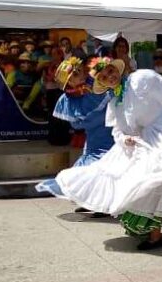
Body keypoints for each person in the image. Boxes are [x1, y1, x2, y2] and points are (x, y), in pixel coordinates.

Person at [53, 57, 162, 250]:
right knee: (138, 184)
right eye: (104, 77)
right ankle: (157, 230)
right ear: (101, 83)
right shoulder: (114, 103)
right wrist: (124, 139)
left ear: (117, 69)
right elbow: (117, 130)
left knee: (161, 179)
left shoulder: (141, 79)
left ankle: (157, 235)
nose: (110, 77)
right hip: (143, 144)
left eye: (111, 71)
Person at [37, 57, 115, 199]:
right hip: (97, 138)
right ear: (68, 83)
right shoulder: (68, 100)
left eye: (78, 69)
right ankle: (93, 200)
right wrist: (97, 117)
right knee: (95, 168)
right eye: (73, 74)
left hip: (115, 131)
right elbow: (77, 124)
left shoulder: (95, 80)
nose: (78, 72)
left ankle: (102, 201)